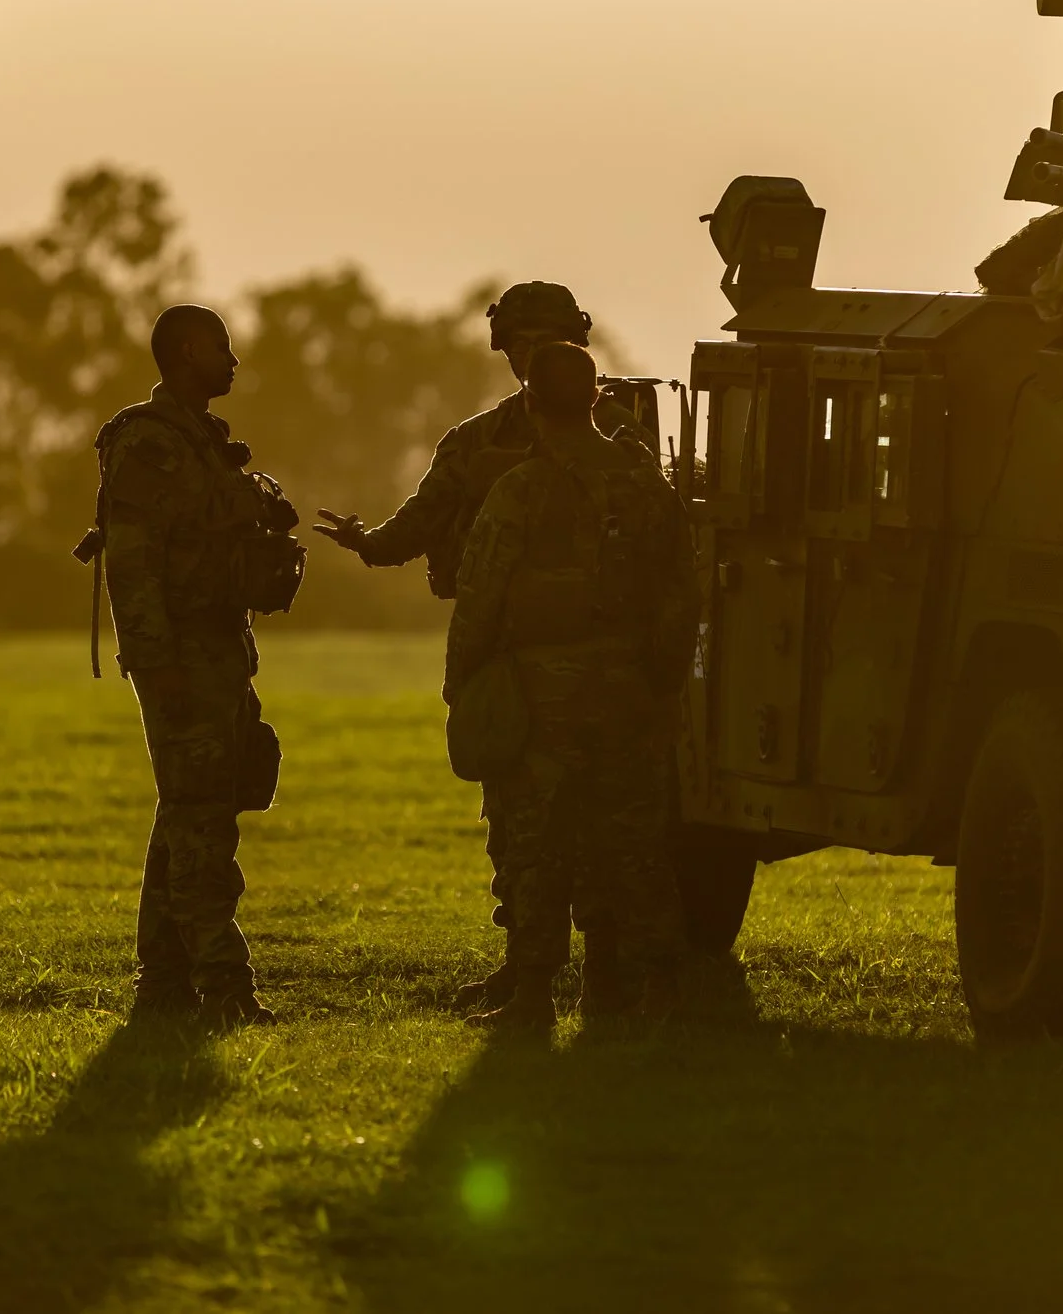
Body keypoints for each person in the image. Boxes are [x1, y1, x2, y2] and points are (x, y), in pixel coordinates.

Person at [309, 281, 648, 1013]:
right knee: (530, 828)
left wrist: (464, 673)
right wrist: (368, 543)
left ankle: (583, 977)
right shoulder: (491, 442)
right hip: (552, 667)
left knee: (589, 828)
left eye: (544, 339)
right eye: (523, 341)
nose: (530, 354)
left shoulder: (624, 436)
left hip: (555, 664)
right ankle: (549, 973)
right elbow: (423, 524)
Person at [441, 340, 700, 1029]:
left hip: (543, 693)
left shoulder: (521, 489)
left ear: (529, 405)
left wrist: (461, 682)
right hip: (629, 692)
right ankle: (650, 989)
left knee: (539, 846)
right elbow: (683, 590)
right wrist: (660, 680)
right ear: (595, 398)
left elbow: (480, 595)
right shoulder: (646, 485)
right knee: (635, 843)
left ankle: (531, 997)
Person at [94, 303, 286, 1028]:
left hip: (218, 650)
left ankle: (162, 982)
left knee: (188, 810)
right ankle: (225, 987)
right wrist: (156, 664)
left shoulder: (202, 442)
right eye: (219, 347)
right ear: (182, 352)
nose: (233, 360)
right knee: (202, 822)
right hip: (181, 655)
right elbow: (132, 564)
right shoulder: (146, 443)